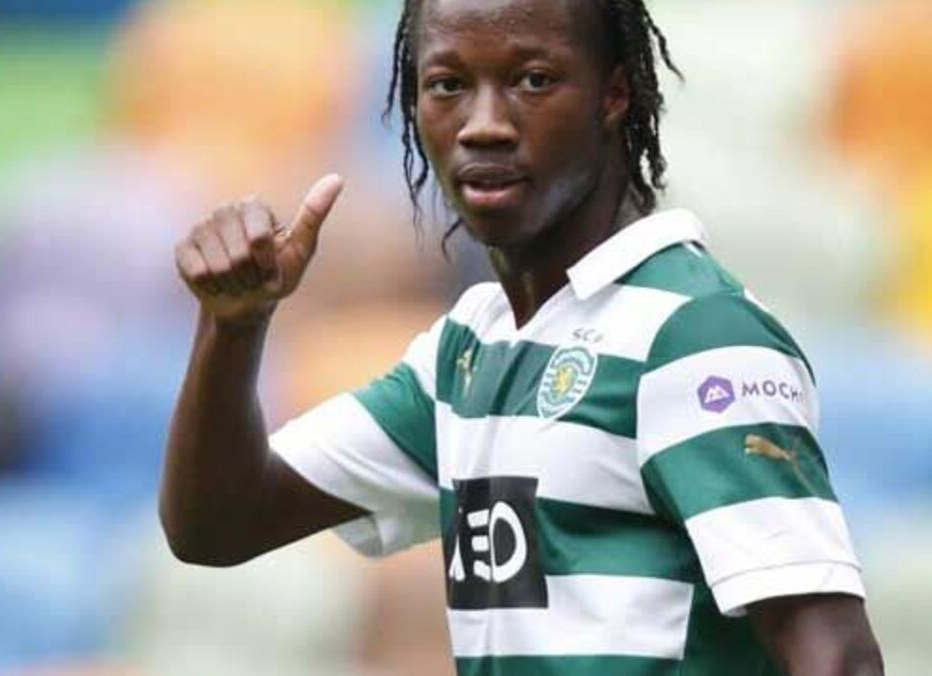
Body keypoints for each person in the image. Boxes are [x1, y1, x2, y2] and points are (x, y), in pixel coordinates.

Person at [160, 0, 885, 674]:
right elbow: (218, 525)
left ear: (615, 93)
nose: (483, 124)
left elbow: (836, 656)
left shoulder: (693, 337)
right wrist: (234, 324)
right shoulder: (469, 351)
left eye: (533, 80)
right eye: (447, 85)